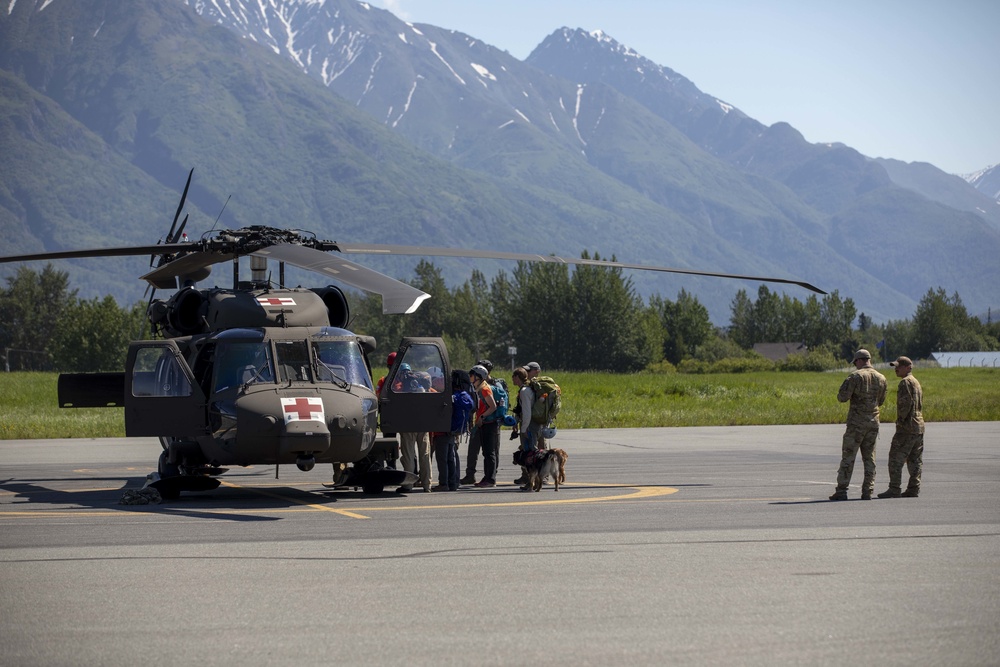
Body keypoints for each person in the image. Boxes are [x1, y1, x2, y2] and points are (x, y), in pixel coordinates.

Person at [830, 349, 887, 501]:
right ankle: (868, 491)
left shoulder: (855, 377)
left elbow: (842, 397)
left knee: (848, 457)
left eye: (855, 362)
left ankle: (842, 490)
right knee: (870, 458)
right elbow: (881, 401)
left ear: (860, 360)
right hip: (873, 423)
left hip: (856, 424)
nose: (855, 365)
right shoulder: (881, 378)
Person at [878, 356, 924, 499]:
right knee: (914, 459)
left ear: (908, 367)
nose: (896, 369)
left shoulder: (905, 383)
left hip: (907, 427)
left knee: (895, 458)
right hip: (919, 425)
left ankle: (894, 488)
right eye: (895, 366)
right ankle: (914, 488)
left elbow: (905, 405)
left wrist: (900, 421)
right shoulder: (916, 382)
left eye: (899, 366)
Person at [432, 370, 475, 491]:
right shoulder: (465, 396)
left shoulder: (451, 398)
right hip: (455, 431)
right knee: (451, 457)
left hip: (444, 431)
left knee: (442, 458)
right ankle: (453, 482)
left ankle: (443, 483)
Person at [463, 365, 498, 487]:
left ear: (479, 377)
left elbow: (493, 406)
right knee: (486, 453)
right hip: (484, 424)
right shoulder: (478, 389)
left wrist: (482, 417)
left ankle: (490, 479)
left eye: (472, 375)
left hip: (489, 424)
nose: (470, 377)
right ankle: (487, 477)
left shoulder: (485, 389)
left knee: (489, 452)